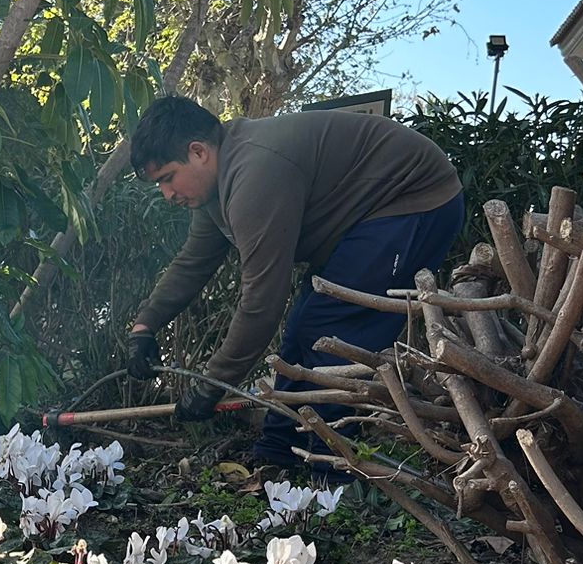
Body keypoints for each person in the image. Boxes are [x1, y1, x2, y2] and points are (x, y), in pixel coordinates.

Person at [123, 95, 464, 468]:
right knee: (302, 330)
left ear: (198, 152)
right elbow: (192, 263)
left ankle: (333, 468)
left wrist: (211, 386)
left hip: (413, 201)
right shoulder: (216, 188)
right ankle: (279, 452)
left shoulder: (255, 174)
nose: (167, 194)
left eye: (168, 178)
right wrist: (145, 326)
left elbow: (261, 303)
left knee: (332, 332)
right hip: (361, 219)